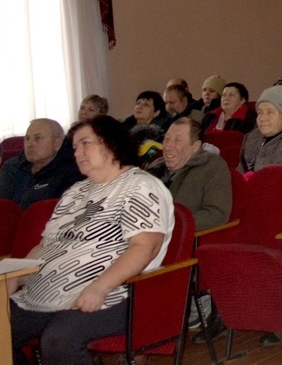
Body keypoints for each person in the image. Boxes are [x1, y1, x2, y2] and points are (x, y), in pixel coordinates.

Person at [9, 115, 175, 365]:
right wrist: (15, 275)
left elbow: (145, 247)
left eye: (86, 143)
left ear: (111, 143)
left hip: (115, 293)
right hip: (42, 294)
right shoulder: (75, 192)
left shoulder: (140, 186)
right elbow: (45, 246)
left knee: (58, 340)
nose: (78, 152)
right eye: (75, 147)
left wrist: (100, 287)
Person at [150, 117, 232, 230]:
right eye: (166, 139)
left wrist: (175, 225)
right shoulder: (153, 168)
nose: (168, 146)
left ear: (195, 147)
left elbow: (217, 214)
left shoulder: (212, 167)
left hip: (179, 239)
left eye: (177, 140)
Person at [0, 119, 82, 208]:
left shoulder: (70, 173)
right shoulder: (12, 167)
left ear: (56, 144)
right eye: (27, 139)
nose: (29, 144)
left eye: (37, 138)